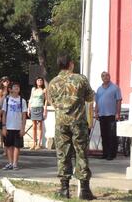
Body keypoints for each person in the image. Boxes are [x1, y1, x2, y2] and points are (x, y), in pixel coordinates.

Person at [48, 55, 95, 200]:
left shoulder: (53, 82)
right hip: (78, 123)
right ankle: (85, 190)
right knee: (81, 153)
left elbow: (52, 102)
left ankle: (64, 189)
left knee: (63, 155)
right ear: (71, 64)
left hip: (61, 123)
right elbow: (90, 97)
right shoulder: (80, 79)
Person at [95, 71, 122, 161]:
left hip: (111, 115)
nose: (105, 77)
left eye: (107, 75)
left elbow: (118, 101)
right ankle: (105, 153)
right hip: (102, 114)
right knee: (104, 135)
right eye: (103, 76)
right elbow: (97, 102)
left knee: (111, 135)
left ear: (109, 77)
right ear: (101, 78)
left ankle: (111, 154)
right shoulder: (99, 89)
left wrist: (118, 113)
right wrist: (96, 112)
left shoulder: (115, 88)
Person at [1, 82, 27, 171]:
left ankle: (15, 163)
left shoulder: (22, 101)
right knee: (8, 145)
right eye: (14, 87)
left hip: (18, 127)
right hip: (8, 126)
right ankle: (10, 163)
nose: (17, 88)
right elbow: (4, 114)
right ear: (10, 89)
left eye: (18, 87)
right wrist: (3, 126)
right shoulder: (7, 100)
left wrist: (23, 128)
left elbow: (24, 115)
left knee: (17, 146)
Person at [28, 77, 48, 150]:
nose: (39, 81)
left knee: (40, 126)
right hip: (33, 107)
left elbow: (46, 100)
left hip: (40, 107)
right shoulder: (33, 89)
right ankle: (34, 142)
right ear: (36, 81)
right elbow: (31, 98)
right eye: (38, 80)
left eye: (41, 80)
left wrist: (45, 109)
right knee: (34, 126)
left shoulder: (44, 90)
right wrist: (28, 108)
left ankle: (39, 143)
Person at [0, 76, 10, 150]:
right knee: (2, 127)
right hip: (2, 107)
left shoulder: (10, 89)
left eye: (7, 81)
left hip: (9, 108)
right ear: (2, 82)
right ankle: (1, 143)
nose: (7, 82)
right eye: (5, 81)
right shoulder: (1, 89)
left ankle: (6, 143)